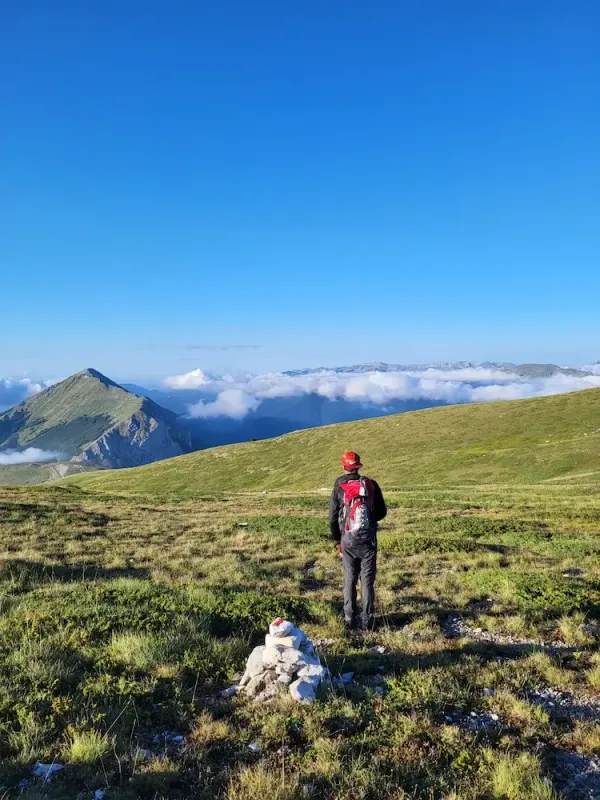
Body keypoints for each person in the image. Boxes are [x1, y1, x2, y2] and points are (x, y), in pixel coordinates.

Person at [329, 451, 387, 631]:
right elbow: (382, 511)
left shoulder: (339, 486)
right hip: (368, 540)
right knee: (367, 580)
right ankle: (367, 620)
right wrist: (369, 523)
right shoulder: (370, 484)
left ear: (344, 466)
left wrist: (337, 541)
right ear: (359, 466)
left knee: (350, 577)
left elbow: (332, 519)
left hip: (347, 540)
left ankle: (349, 617)